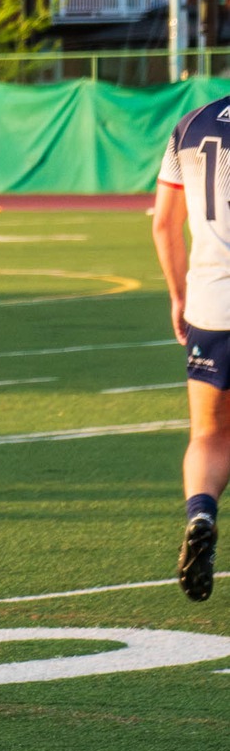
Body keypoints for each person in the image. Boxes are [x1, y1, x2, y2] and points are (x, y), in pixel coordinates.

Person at [153, 95, 230, 600]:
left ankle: (200, 511)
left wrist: (179, 293)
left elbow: (164, 222)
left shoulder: (192, 122)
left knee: (208, 432)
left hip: (212, 302)